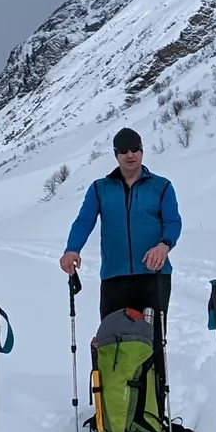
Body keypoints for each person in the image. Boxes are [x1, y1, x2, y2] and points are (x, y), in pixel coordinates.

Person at [60, 127, 182, 321]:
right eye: (124, 150)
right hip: (114, 277)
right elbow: (84, 221)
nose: (130, 155)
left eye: (135, 149)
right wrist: (72, 249)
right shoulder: (100, 188)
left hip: (154, 276)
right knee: (114, 344)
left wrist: (164, 245)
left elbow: (173, 221)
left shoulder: (162, 186)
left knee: (154, 342)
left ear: (142, 151)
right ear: (116, 155)